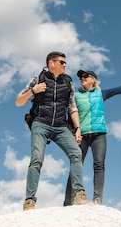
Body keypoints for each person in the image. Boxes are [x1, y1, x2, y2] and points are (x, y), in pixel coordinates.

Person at [64, 70, 121, 206]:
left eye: (85, 76)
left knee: (99, 165)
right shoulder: (76, 96)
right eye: (80, 77)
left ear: (93, 79)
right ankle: (68, 201)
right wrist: (73, 131)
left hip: (99, 134)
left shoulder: (101, 94)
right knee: (76, 166)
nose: (82, 78)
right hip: (81, 135)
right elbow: (70, 113)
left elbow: (120, 89)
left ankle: (97, 199)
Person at [16, 51, 93, 210]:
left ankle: (79, 195)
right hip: (40, 124)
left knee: (76, 154)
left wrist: (78, 128)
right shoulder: (37, 80)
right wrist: (33, 91)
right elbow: (18, 101)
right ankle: (29, 201)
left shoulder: (68, 83)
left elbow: (72, 107)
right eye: (62, 62)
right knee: (37, 159)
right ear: (52, 63)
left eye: (65, 62)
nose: (65, 65)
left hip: (60, 126)